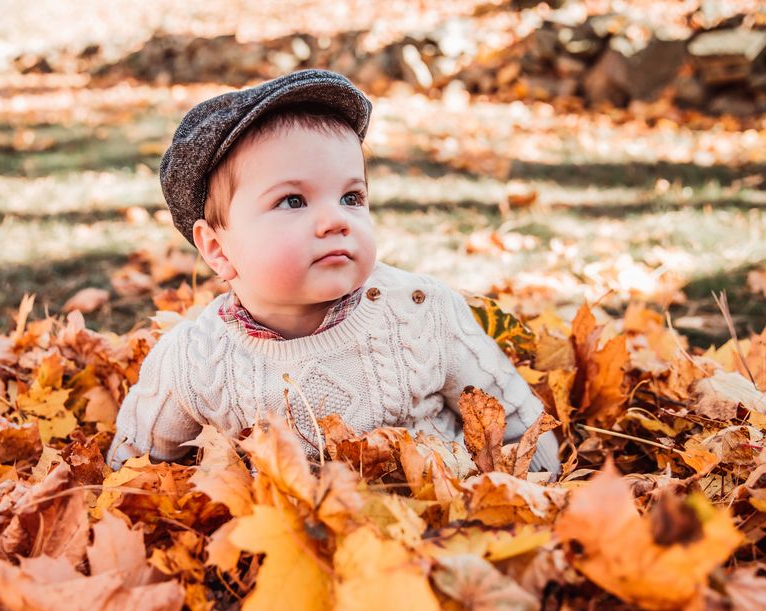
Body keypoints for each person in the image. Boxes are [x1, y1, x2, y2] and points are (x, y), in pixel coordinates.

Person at [107, 69, 559, 473]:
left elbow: (521, 422)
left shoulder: (423, 313)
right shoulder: (194, 361)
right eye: (293, 201)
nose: (336, 220)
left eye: (351, 198)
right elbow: (132, 471)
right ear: (217, 248)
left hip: (439, 533)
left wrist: (529, 493)